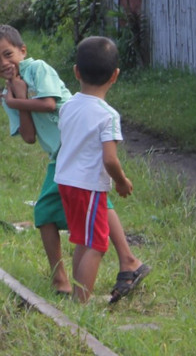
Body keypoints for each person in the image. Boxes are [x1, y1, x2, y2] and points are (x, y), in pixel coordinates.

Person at [0, 25, 145, 299]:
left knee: (71, 212)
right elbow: (29, 137)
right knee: (80, 209)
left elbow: (48, 104)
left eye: (8, 54)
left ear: (22, 50)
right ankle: (107, 267)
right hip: (62, 156)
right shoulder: (8, 96)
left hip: (77, 145)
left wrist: (18, 101)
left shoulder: (38, 69)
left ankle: (83, 279)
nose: (4, 63)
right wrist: (17, 98)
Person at [55, 36, 150, 303]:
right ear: (115, 76)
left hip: (65, 181)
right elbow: (110, 159)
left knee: (83, 241)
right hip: (88, 186)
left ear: (76, 72)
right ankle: (81, 302)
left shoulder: (68, 106)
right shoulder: (108, 115)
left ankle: (78, 296)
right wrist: (121, 181)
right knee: (96, 245)